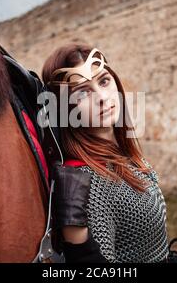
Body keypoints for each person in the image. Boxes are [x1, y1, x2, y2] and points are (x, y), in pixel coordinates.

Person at [42, 43, 169, 263]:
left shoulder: (124, 156)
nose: (102, 97)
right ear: (65, 107)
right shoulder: (84, 184)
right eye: (83, 92)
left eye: (104, 81)